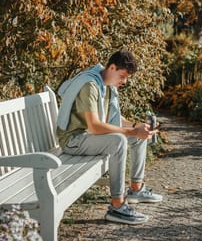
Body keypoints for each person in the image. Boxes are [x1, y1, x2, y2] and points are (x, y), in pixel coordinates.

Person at [56, 50, 163, 225]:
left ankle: (136, 189)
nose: (124, 81)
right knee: (119, 141)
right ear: (112, 67)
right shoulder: (90, 85)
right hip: (73, 141)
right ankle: (117, 206)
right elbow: (95, 126)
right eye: (122, 76)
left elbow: (113, 120)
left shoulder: (105, 85)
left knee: (136, 137)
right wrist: (133, 131)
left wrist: (137, 127)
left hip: (88, 138)